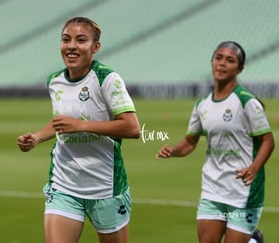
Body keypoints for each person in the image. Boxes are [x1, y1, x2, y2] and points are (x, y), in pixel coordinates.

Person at [17, 17, 140, 243]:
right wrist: (36, 137)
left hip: (105, 187)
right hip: (64, 184)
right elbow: (60, 122)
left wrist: (81, 125)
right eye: (66, 40)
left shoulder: (106, 78)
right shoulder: (55, 81)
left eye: (81, 40)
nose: (71, 46)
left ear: (95, 47)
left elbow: (132, 128)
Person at [155, 41, 275, 243]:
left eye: (230, 60)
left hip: (243, 191)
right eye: (218, 58)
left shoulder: (247, 102)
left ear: (240, 68)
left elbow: (268, 141)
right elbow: (190, 141)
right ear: (212, 62)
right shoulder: (203, 104)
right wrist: (174, 150)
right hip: (213, 189)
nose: (222, 64)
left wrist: (254, 168)